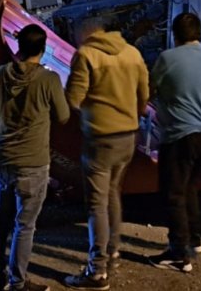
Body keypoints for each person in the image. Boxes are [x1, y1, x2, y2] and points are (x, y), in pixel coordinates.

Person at [64, 18, 148, 290]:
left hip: (100, 139)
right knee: (113, 193)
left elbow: (72, 100)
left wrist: (90, 110)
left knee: (96, 204)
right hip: (129, 137)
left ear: (85, 34)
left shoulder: (86, 55)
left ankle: (97, 272)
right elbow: (144, 96)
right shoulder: (132, 52)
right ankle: (112, 252)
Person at [0, 24, 70, 291]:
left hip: (4, 159)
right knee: (24, 226)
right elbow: (64, 116)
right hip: (33, 163)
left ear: (19, 47)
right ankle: (18, 283)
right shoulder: (49, 79)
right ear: (43, 50)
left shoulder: (1, 74)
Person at [146, 13, 201, 273]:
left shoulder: (169, 58)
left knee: (174, 193)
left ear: (175, 34)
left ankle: (179, 254)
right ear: (199, 34)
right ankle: (195, 239)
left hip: (181, 135)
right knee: (189, 186)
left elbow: (149, 91)